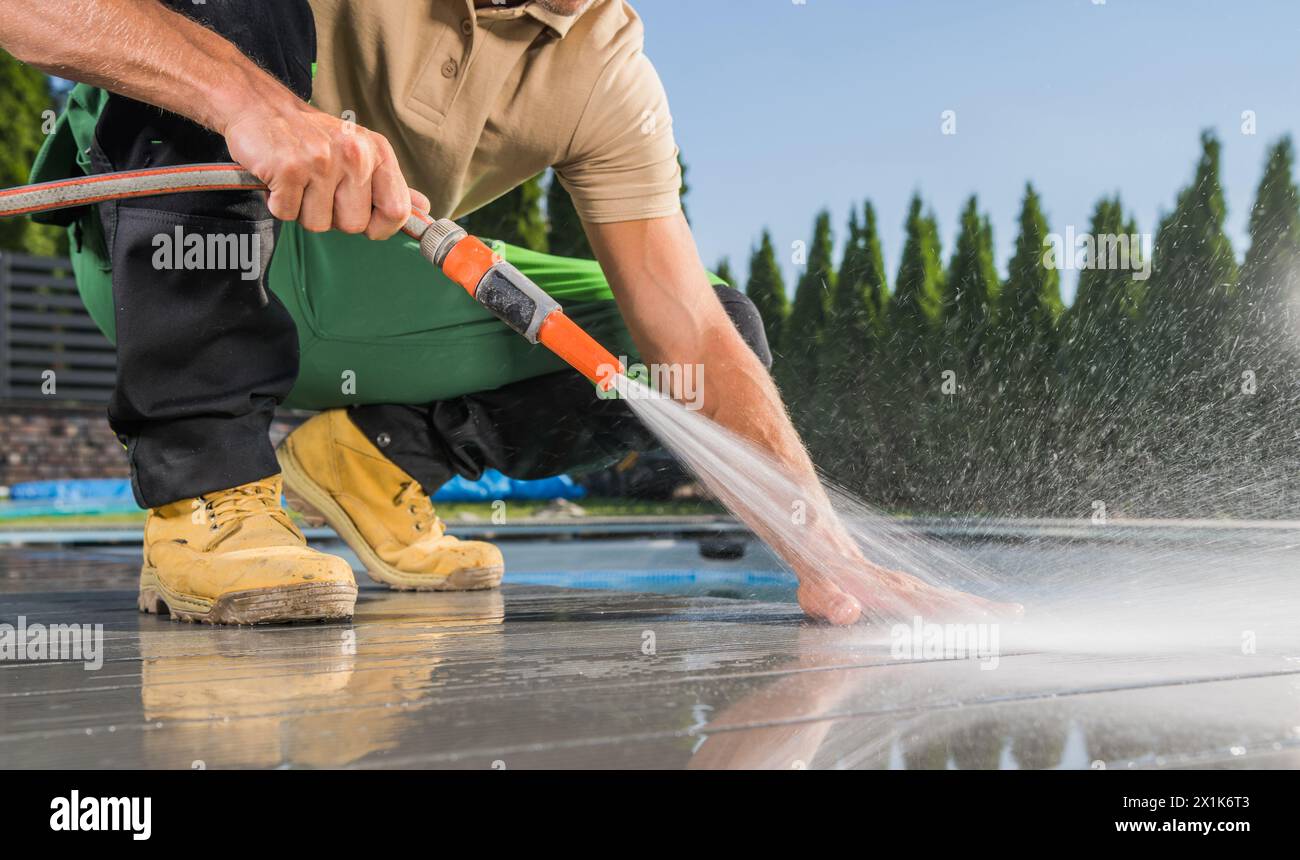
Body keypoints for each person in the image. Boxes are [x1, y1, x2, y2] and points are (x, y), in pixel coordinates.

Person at [8, 0, 1013, 625]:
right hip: (160, 243)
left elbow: (688, 336)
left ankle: (377, 455)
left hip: (366, 291)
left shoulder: (607, 66)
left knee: (712, 330)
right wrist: (247, 101)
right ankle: (207, 497)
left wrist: (825, 554)